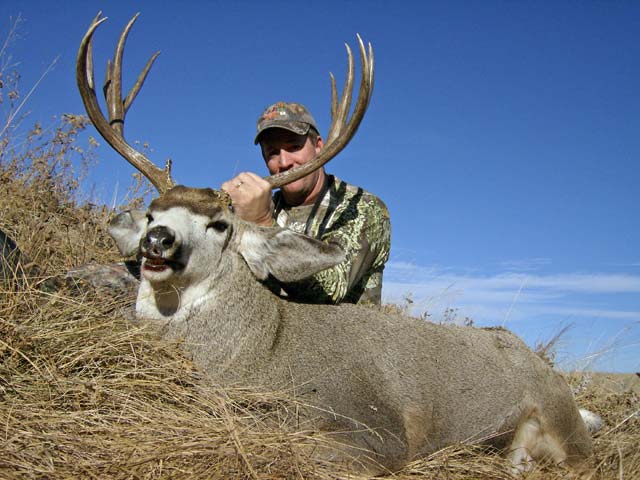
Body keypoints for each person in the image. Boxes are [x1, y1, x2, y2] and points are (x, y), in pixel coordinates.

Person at [221, 101, 390, 305]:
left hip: (345, 333)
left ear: (318, 145)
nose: (284, 163)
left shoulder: (361, 208)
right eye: (273, 152)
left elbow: (331, 290)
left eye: (294, 147)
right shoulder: (264, 208)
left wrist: (262, 225)